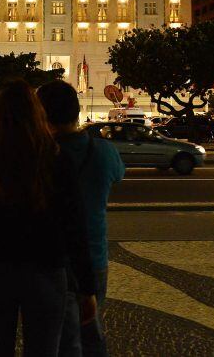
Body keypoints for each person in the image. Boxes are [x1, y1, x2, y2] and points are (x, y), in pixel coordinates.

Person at [0, 80, 97, 356]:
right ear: (38, 113)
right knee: (44, 350)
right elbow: (75, 227)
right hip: (45, 268)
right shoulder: (57, 158)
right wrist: (87, 287)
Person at [37, 80, 125, 357]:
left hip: (49, 257)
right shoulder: (104, 152)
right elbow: (118, 175)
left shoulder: (39, 155)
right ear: (76, 112)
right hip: (93, 254)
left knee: (54, 336)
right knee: (90, 330)